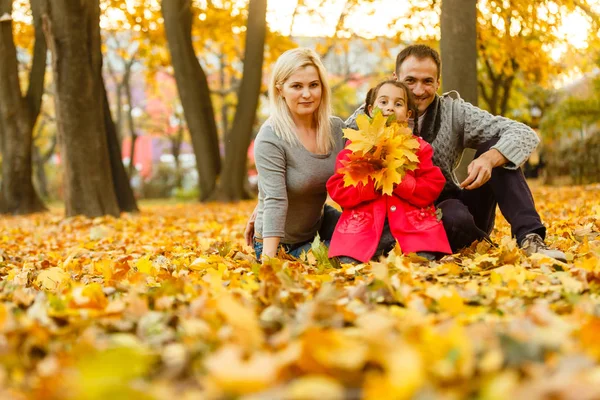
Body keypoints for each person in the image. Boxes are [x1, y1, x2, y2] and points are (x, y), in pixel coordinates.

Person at [346, 44, 566, 262]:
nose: (419, 90)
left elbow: (524, 133)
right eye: (410, 81)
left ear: (438, 83)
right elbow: (342, 150)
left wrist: (490, 158)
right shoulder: (371, 113)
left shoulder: (454, 112)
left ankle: (530, 237)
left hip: (449, 206)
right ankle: (457, 244)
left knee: (495, 149)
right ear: (395, 78)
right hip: (394, 213)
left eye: (428, 81)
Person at [327, 80, 451, 263]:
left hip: (410, 229)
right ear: (370, 110)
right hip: (364, 229)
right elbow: (338, 187)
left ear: (408, 114)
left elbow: (433, 184)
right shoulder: (355, 148)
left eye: (398, 104)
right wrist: (369, 185)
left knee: (422, 258)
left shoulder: (417, 148)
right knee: (349, 261)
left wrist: (404, 183)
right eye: (383, 102)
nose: (390, 108)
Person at [251, 48, 345, 261]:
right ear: (280, 90)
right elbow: (275, 199)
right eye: (296, 86)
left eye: (313, 85)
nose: (307, 94)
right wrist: (268, 261)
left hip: (317, 225)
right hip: (282, 244)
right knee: (350, 253)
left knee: (374, 237)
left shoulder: (336, 129)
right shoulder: (270, 137)